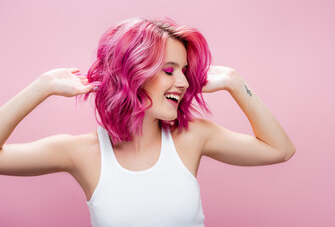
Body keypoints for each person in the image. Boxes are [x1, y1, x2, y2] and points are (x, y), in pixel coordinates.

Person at [0, 17, 295, 227]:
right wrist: (41, 87)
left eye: (184, 70)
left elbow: (279, 149)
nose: (182, 81)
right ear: (133, 74)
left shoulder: (192, 137)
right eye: (169, 70)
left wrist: (234, 81)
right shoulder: (81, 153)